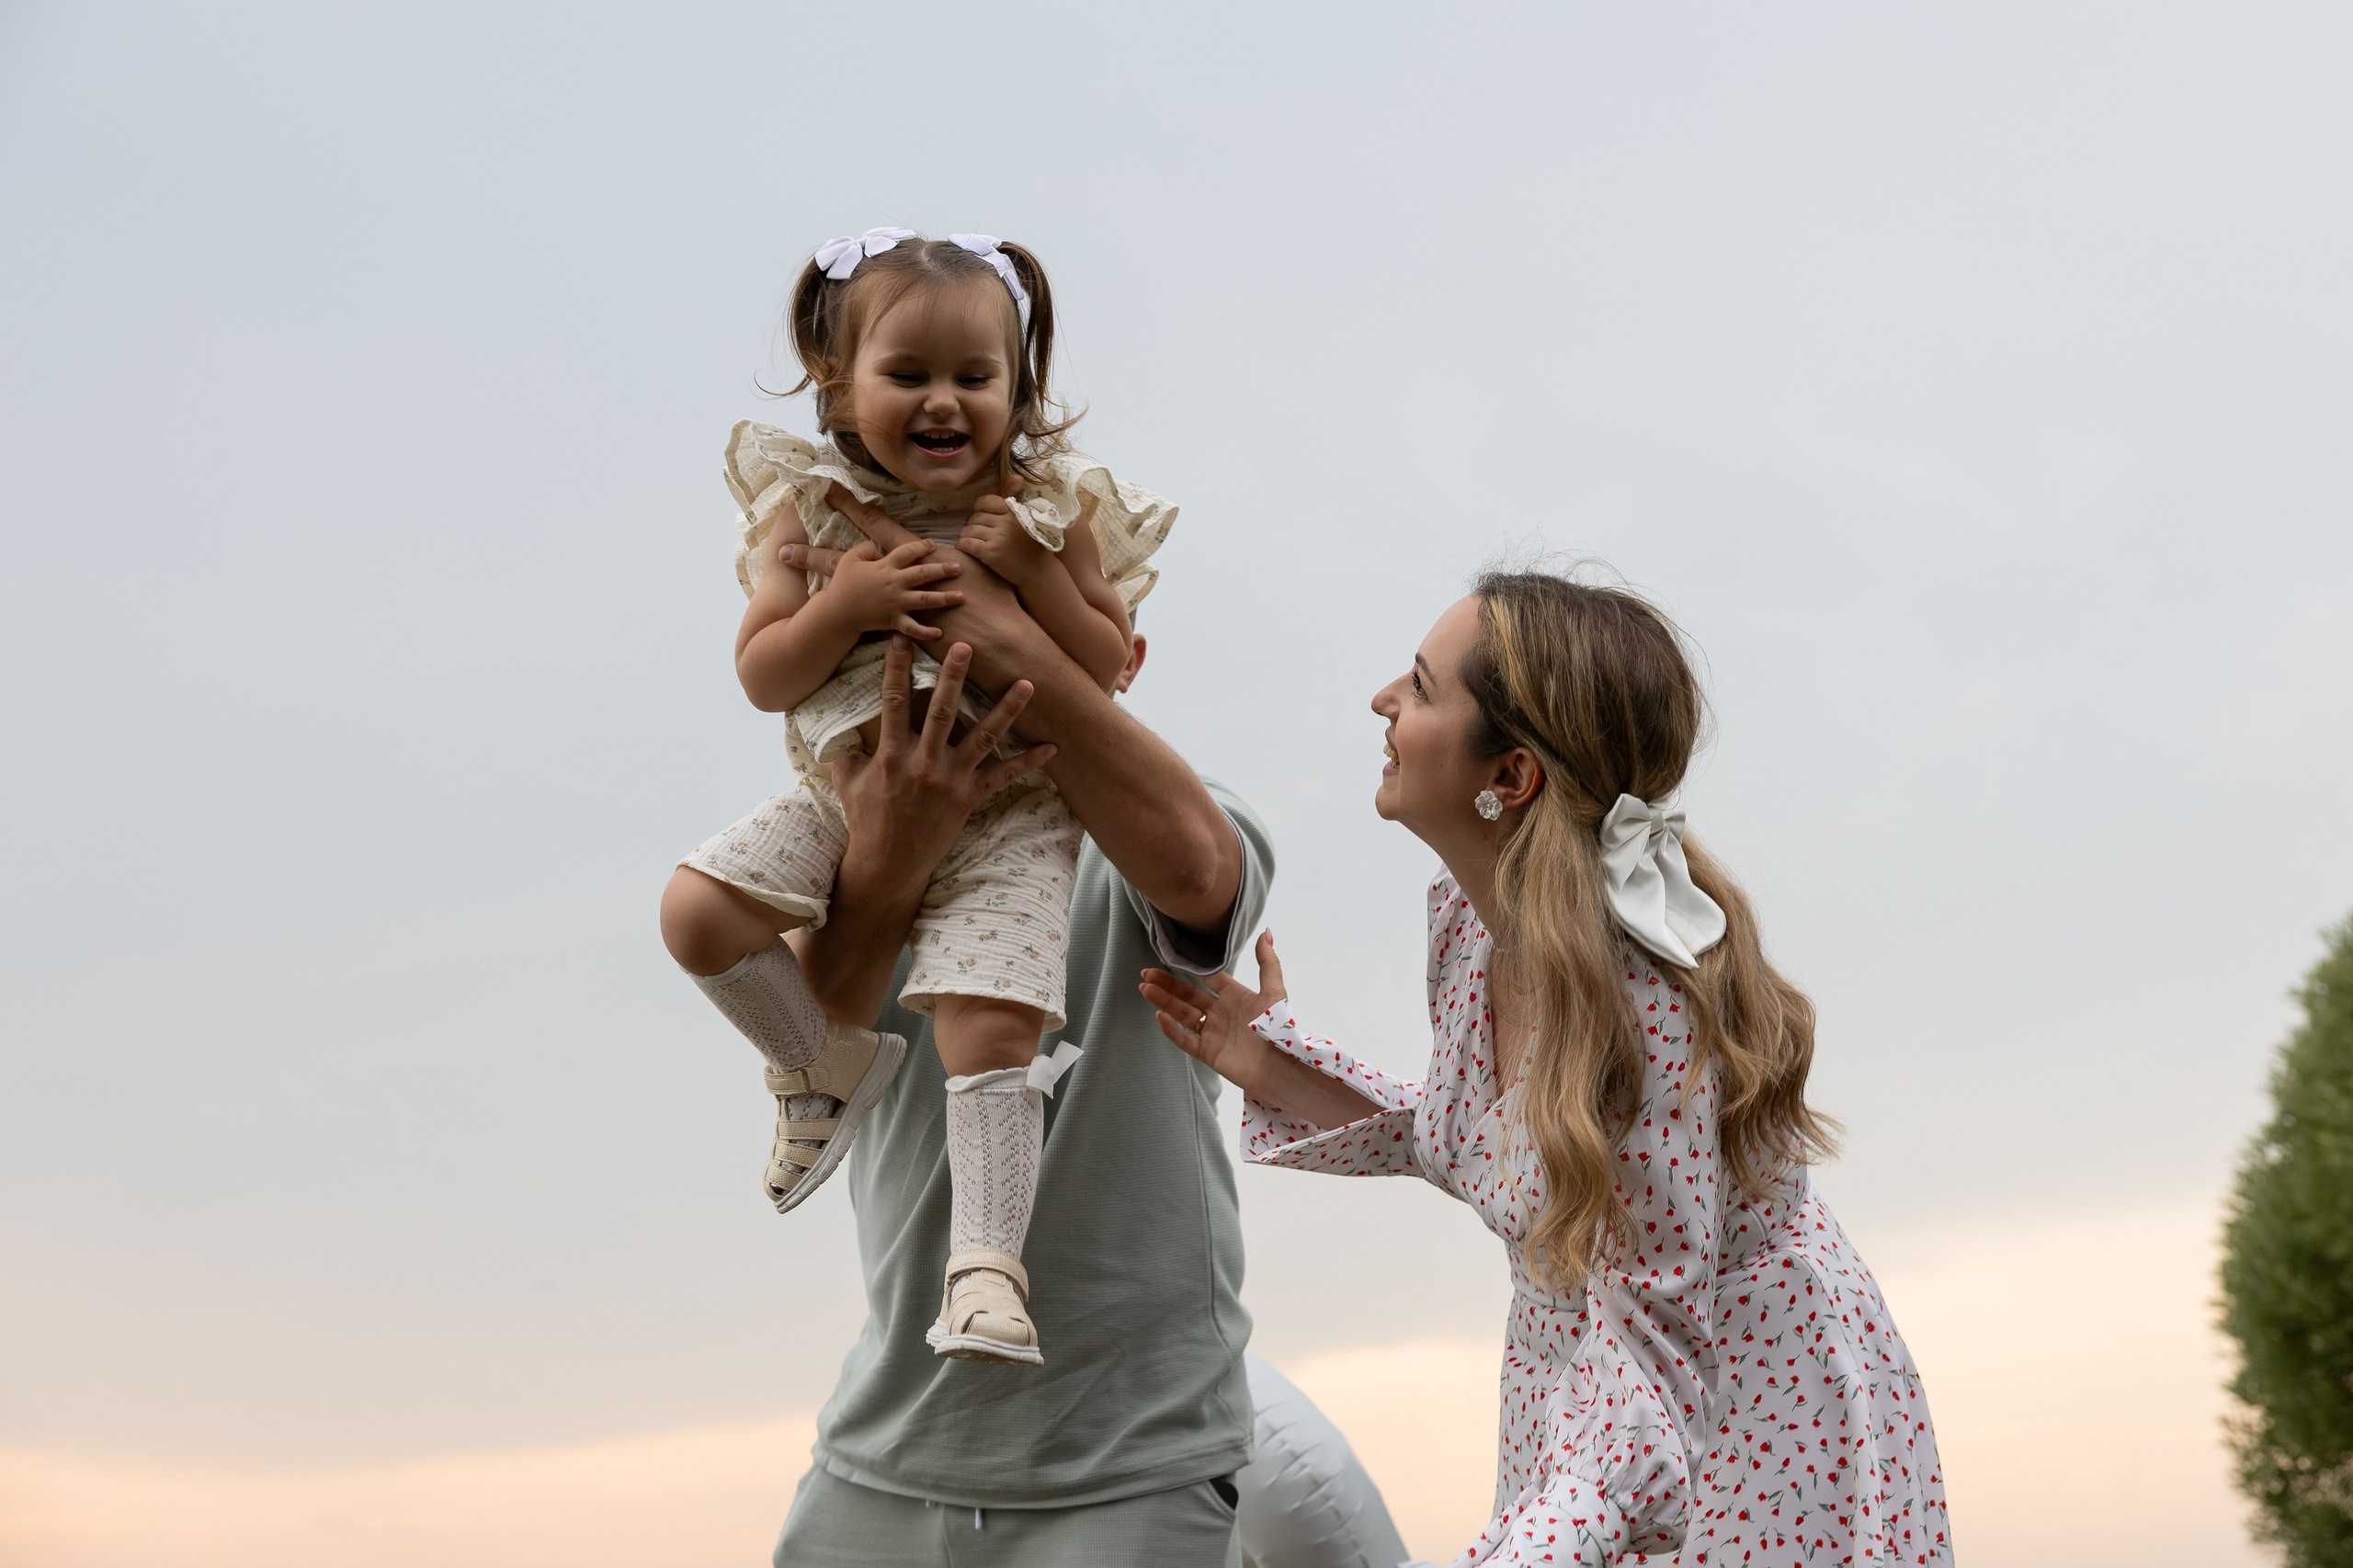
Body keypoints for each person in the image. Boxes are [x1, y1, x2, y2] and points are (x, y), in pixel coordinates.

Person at [1143, 573, 1952, 1567]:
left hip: (1742, 1414)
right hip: (1575, 1394)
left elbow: (1650, 1365)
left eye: (1421, 685)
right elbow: (1488, 1147)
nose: (1381, 700)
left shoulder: (1640, 1009)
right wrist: (1268, 1062)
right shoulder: (1463, 924)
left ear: (1511, 775)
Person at [659, 228, 1178, 1366]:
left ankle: (987, 1269)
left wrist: (1035, 572)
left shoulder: (1054, 510)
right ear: (839, 384)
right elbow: (763, 675)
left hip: (1013, 811)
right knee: (696, 912)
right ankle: (816, 1060)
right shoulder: (810, 512)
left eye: (974, 377)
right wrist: (838, 607)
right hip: (854, 787)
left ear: (1017, 388)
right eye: (909, 375)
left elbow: (1102, 663)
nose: (943, 402)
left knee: (986, 1023)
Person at [727, 510, 1270, 1563]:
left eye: (998, 624)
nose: (962, 651)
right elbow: (824, 1017)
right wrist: (892, 861)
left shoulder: (1181, 824)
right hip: (884, 1447)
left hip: (1129, 1462)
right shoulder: (840, 848)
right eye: (939, 626)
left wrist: (1019, 639)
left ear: (1123, 661)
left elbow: (1203, 874)